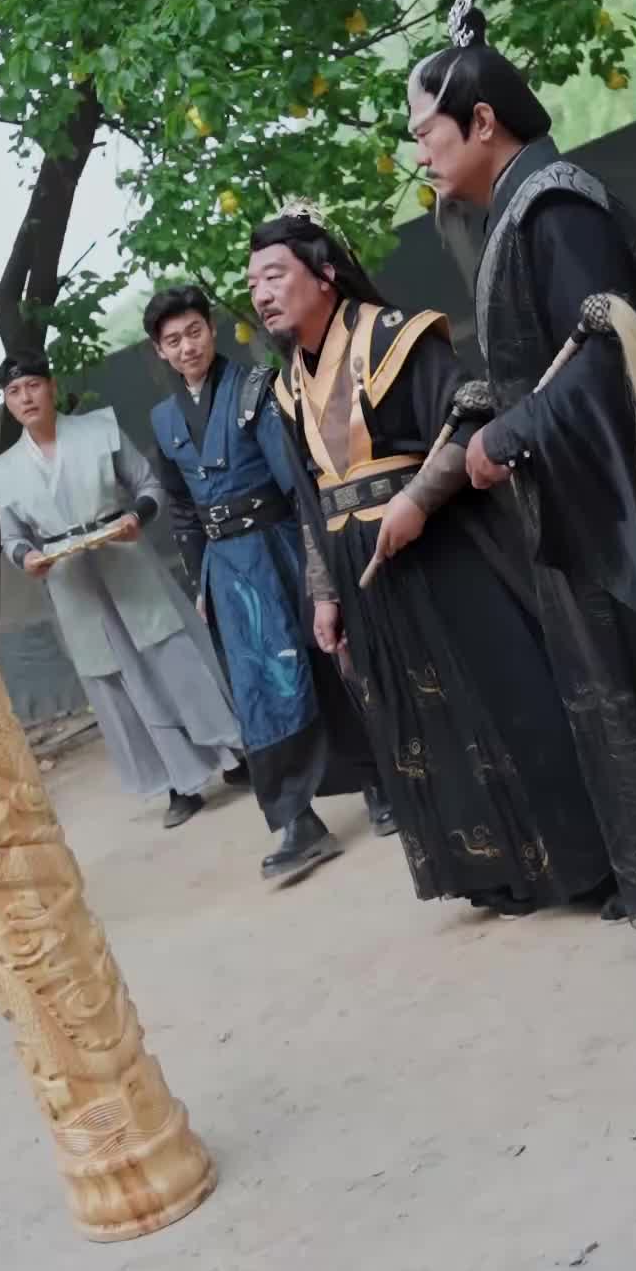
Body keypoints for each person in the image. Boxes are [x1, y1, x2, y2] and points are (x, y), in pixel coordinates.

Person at [248, 210, 612, 917]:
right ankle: (496, 874)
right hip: (363, 571)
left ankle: (584, 864)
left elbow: (472, 413)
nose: (261, 294)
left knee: (504, 700)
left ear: (324, 275)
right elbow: (310, 496)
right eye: (253, 283)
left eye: (274, 275)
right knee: (424, 724)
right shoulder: (287, 385)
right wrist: (325, 593)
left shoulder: (394, 336)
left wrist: (417, 498)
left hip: (441, 551)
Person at [409, 0, 636, 918]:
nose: (419, 153)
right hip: (568, 496)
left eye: (425, 132)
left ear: (482, 122)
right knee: (602, 690)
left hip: (609, 496)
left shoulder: (557, 203)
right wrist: (488, 412)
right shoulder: (510, 212)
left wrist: (514, 432)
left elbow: (610, 343)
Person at [144, 284, 393, 884]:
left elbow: (297, 485)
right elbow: (182, 510)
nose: (187, 347)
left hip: (280, 549)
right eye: (173, 341)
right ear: (160, 351)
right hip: (226, 570)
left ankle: (382, 784)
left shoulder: (256, 389)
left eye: (194, 332)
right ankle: (296, 820)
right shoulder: (164, 419)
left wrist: (317, 564)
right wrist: (199, 580)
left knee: (324, 662)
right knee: (258, 692)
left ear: (211, 330)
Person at [0, 350, 246, 829]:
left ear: (51, 387)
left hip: (124, 557)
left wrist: (135, 518)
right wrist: (28, 558)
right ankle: (177, 782)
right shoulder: (4, 470)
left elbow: (149, 486)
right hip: (71, 582)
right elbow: (12, 538)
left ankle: (233, 753)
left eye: (33, 385)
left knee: (174, 656)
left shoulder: (98, 429)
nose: (25, 397)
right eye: (14, 392)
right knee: (122, 679)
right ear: (7, 402)